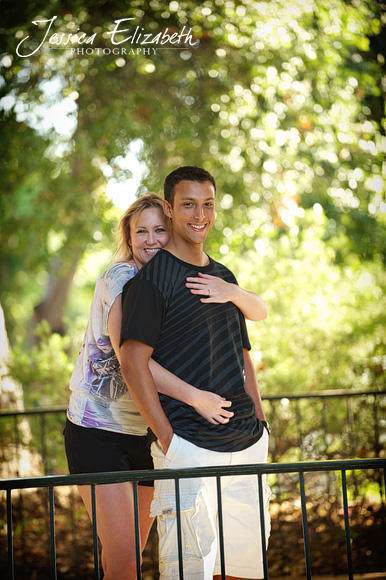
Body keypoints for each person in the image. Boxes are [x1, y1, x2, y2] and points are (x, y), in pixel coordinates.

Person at [64, 192, 267, 580]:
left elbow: (236, 343)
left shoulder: (171, 280)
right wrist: (196, 398)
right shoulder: (120, 278)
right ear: (128, 236)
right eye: (141, 231)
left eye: (160, 229)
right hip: (100, 432)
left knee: (129, 560)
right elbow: (131, 361)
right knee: (123, 562)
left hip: (150, 433)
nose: (152, 239)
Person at [119, 167, 271, 580]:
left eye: (207, 204)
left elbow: (242, 357)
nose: (199, 214)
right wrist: (170, 442)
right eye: (188, 204)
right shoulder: (151, 281)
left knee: (245, 571)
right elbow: (133, 363)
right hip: (188, 448)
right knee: (189, 574)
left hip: (247, 445)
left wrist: (260, 421)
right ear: (169, 209)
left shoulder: (224, 277)